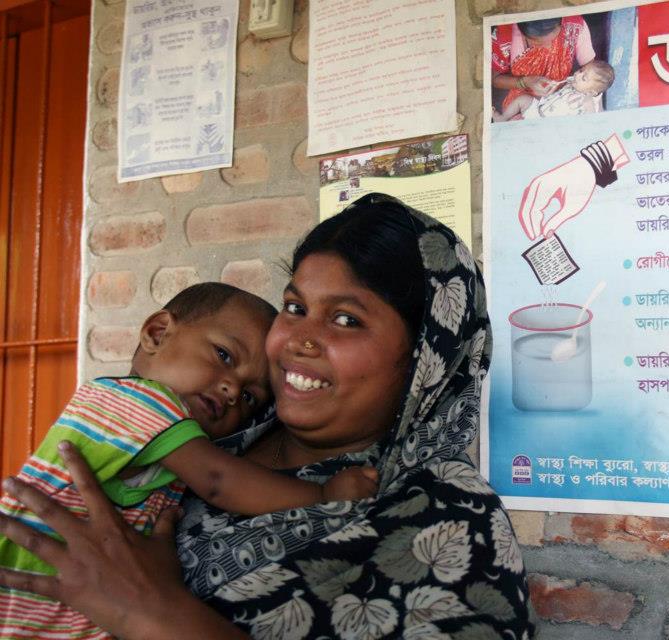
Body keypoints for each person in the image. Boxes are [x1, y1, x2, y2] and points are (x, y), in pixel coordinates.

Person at [0, 193, 535, 638]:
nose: (299, 338)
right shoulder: (215, 429)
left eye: (346, 319)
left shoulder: (450, 519)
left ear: (425, 362)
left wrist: (154, 613)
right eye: (296, 307)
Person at [0, 283, 377, 639]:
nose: (232, 390)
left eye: (249, 397)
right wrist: (325, 494)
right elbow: (219, 481)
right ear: (158, 332)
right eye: (224, 356)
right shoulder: (139, 402)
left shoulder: (162, 438)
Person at [491, 16, 596, 113]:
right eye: (537, 44)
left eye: (555, 38)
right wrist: (525, 82)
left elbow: (591, 70)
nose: (548, 47)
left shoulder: (574, 23)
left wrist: (579, 89)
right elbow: (495, 79)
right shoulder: (503, 36)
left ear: (560, 24)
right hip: (523, 101)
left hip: (562, 96)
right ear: (522, 34)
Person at [493, 59, 614, 121]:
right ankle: (502, 118)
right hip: (538, 109)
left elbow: (591, 120)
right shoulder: (573, 82)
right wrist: (553, 85)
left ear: (591, 92)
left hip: (547, 125)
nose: (577, 75)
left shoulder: (586, 101)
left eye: (583, 77)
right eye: (581, 70)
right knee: (523, 99)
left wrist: (589, 104)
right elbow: (558, 91)